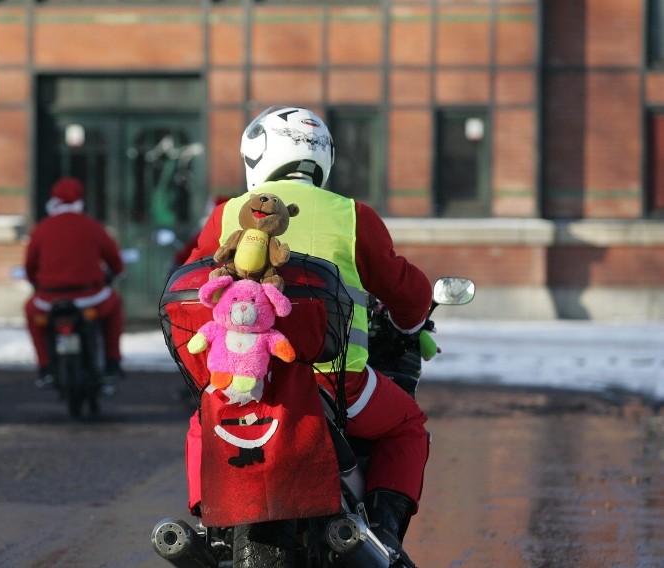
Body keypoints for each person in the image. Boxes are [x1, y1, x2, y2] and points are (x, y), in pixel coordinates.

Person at [183, 106, 433, 567]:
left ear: (256, 154)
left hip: (247, 382)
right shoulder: (352, 214)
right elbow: (408, 292)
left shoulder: (228, 214)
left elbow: (194, 286)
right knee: (407, 425)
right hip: (338, 390)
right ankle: (382, 529)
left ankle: (208, 525)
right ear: (324, 159)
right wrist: (410, 325)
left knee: (203, 421)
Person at [23, 176, 125, 386]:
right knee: (115, 304)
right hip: (90, 297)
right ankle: (112, 362)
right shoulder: (93, 226)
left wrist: (34, 281)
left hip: (48, 298)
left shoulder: (42, 228)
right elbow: (114, 259)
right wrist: (115, 272)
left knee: (30, 310)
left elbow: (30, 265)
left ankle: (44, 366)